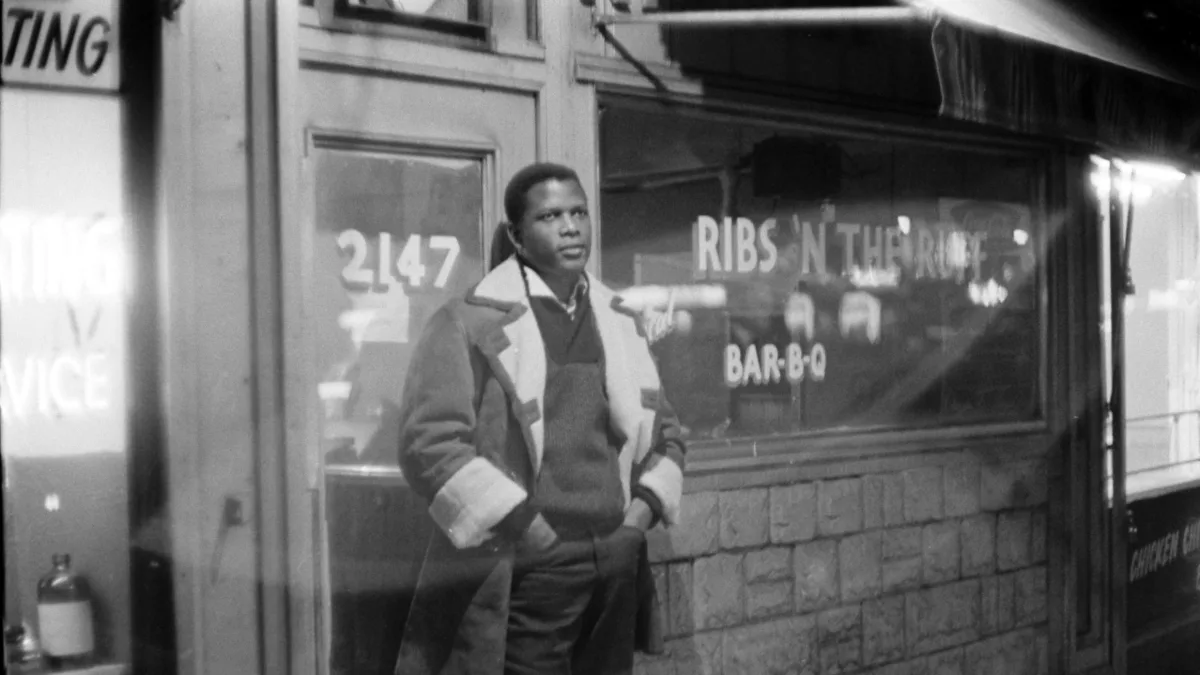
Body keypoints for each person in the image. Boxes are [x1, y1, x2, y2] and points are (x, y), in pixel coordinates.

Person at [394, 162, 686, 675]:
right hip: (528, 563)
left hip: (614, 556)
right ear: (518, 236)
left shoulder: (620, 319)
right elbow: (431, 446)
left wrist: (635, 526)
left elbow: (666, 432)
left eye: (579, 212)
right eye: (550, 215)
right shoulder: (466, 322)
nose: (571, 227)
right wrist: (529, 531)